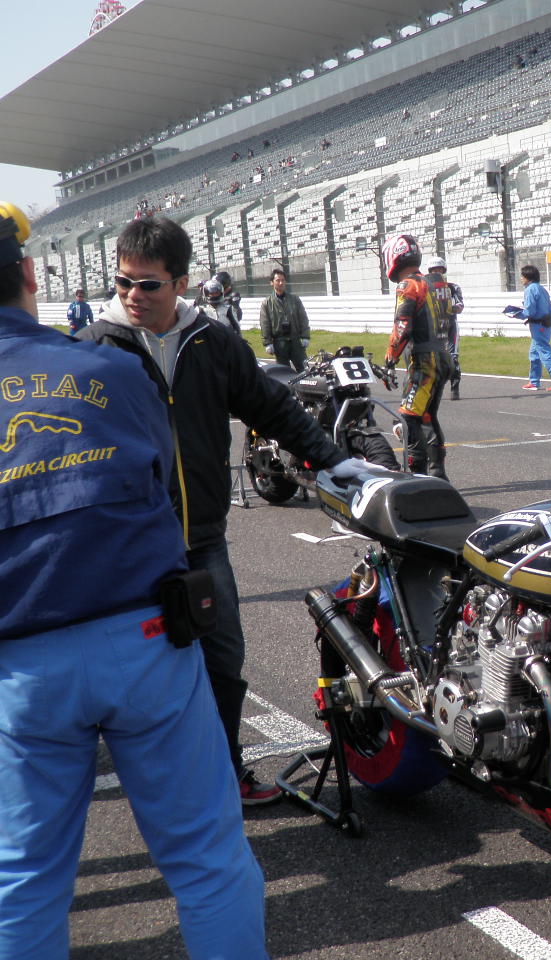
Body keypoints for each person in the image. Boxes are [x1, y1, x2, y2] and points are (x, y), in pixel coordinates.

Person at [0, 203, 268, 957]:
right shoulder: (110, 367)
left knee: (24, 881)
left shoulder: (158, 346)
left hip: (22, 664)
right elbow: (162, 478)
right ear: (29, 273)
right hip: (144, 636)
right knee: (210, 862)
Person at [79, 215, 366, 807]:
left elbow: (272, 408)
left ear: (181, 283)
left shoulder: (214, 341)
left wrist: (334, 460)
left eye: (148, 284)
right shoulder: (92, 348)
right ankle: (158, 788)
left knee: (223, 659)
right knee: (130, 673)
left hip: (203, 539)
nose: (133, 294)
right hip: (125, 547)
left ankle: (227, 770)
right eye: (123, 281)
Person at [383, 235, 452, 478]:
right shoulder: (438, 284)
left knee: (408, 417)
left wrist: (390, 359)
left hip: (425, 362)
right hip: (443, 356)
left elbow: (402, 326)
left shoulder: (408, 285)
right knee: (427, 416)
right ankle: (437, 473)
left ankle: (418, 475)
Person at [508, 264, 551, 391]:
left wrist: (515, 314)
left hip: (538, 326)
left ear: (528, 277)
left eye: (522, 276)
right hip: (546, 325)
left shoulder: (530, 290)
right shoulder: (542, 289)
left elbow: (529, 312)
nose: (521, 278)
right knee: (534, 354)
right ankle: (534, 382)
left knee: (545, 352)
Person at [424, 256, 465, 400]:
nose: (437, 272)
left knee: (453, 357)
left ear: (444, 270)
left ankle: (455, 387)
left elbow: (460, 305)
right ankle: (432, 389)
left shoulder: (453, 287)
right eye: (434, 270)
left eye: (439, 269)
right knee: (431, 358)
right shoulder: (424, 287)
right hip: (433, 326)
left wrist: (452, 308)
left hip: (450, 325)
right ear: (430, 271)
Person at [259, 266, 311, 371]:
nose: (281, 283)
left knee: (305, 370)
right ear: (272, 282)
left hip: (295, 341)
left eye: (283, 280)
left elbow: (303, 318)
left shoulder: (295, 299)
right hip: (279, 343)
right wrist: (268, 343)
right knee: (283, 372)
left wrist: (305, 336)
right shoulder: (267, 303)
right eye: (278, 280)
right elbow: (265, 324)